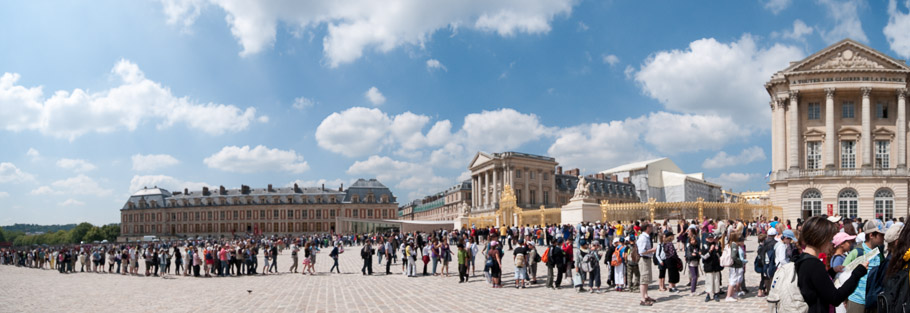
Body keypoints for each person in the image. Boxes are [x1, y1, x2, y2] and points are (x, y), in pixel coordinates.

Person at [796, 216, 869, 313]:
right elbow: (835, 298)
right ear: (821, 238)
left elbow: (816, 283)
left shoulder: (802, 258)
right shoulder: (814, 264)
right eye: (830, 239)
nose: (831, 244)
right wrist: (857, 273)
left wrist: (832, 271)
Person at [846, 220, 885, 312]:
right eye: (881, 235)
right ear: (871, 235)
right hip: (857, 301)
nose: (883, 237)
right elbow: (844, 274)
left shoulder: (879, 252)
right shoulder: (857, 252)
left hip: (873, 300)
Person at [637, 223, 657, 306]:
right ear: (647, 228)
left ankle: (646, 296)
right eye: (651, 227)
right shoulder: (643, 238)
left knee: (647, 279)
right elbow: (641, 251)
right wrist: (652, 250)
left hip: (647, 259)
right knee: (644, 279)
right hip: (644, 259)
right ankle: (642, 299)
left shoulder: (646, 237)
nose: (652, 228)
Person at [701, 232, 722, 302]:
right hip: (708, 266)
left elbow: (720, 256)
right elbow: (704, 257)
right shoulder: (705, 246)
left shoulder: (717, 245)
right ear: (706, 239)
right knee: (709, 281)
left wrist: (717, 251)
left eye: (712, 238)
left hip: (716, 266)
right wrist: (710, 251)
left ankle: (716, 293)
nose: (711, 239)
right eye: (709, 238)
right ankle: (708, 294)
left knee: (716, 280)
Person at [724, 232, 744, 302]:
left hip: (734, 266)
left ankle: (731, 294)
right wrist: (740, 261)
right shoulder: (734, 245)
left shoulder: (731, 244)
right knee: (732, 281)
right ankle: (728, 296)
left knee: (733, 280)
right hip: (735, 266)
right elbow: (733, 256)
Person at [685, 231, 700, 296]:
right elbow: (689, 255)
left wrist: (696, 254)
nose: (693, 241)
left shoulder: (696, 247)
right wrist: (694, 254)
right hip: (691, 263)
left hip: (696, 262)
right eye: (692, 240)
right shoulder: (689, 247)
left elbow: (699, 254)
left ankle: (694, 290)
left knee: (696, 277)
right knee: (694, 276)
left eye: (694, 240)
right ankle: (692, 291)